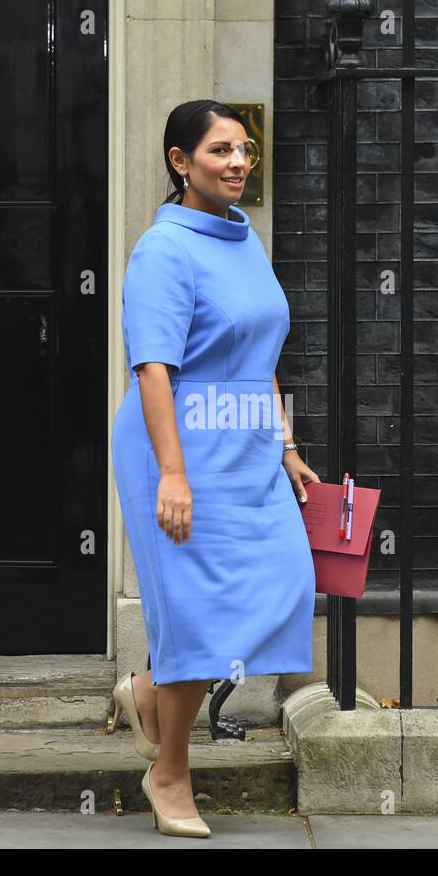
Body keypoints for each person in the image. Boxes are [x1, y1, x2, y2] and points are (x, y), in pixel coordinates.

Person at [110, 100, 320, 837]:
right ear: (180, 162)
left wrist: (285, 446)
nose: (237, 163)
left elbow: (260, 358)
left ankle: (145, 691)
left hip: (245, 445)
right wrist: (172, 473)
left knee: (286, 582)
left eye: (244, 149)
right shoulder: (163, 250)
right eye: (219, 151)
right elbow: (153, 371)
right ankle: (169, 772)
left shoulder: (242, 237)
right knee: (198, 614)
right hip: (175, 446)